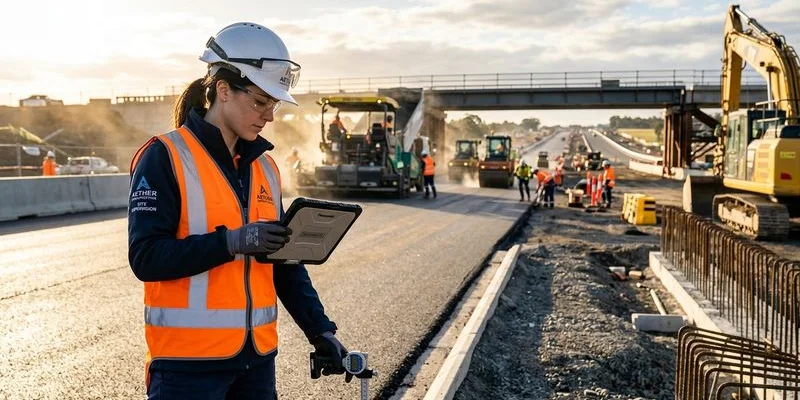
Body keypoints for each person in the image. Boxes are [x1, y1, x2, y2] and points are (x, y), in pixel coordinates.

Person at [127, 22, 350, 400]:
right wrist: (232, 241)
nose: (269, 116)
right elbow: (146, 258)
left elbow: (283, 265)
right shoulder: (164, 156)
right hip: (187, 368)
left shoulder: (265, 167)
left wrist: (320, 331)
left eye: (274, 104)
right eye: (260, 102)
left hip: (256, 363)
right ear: (224, 90)